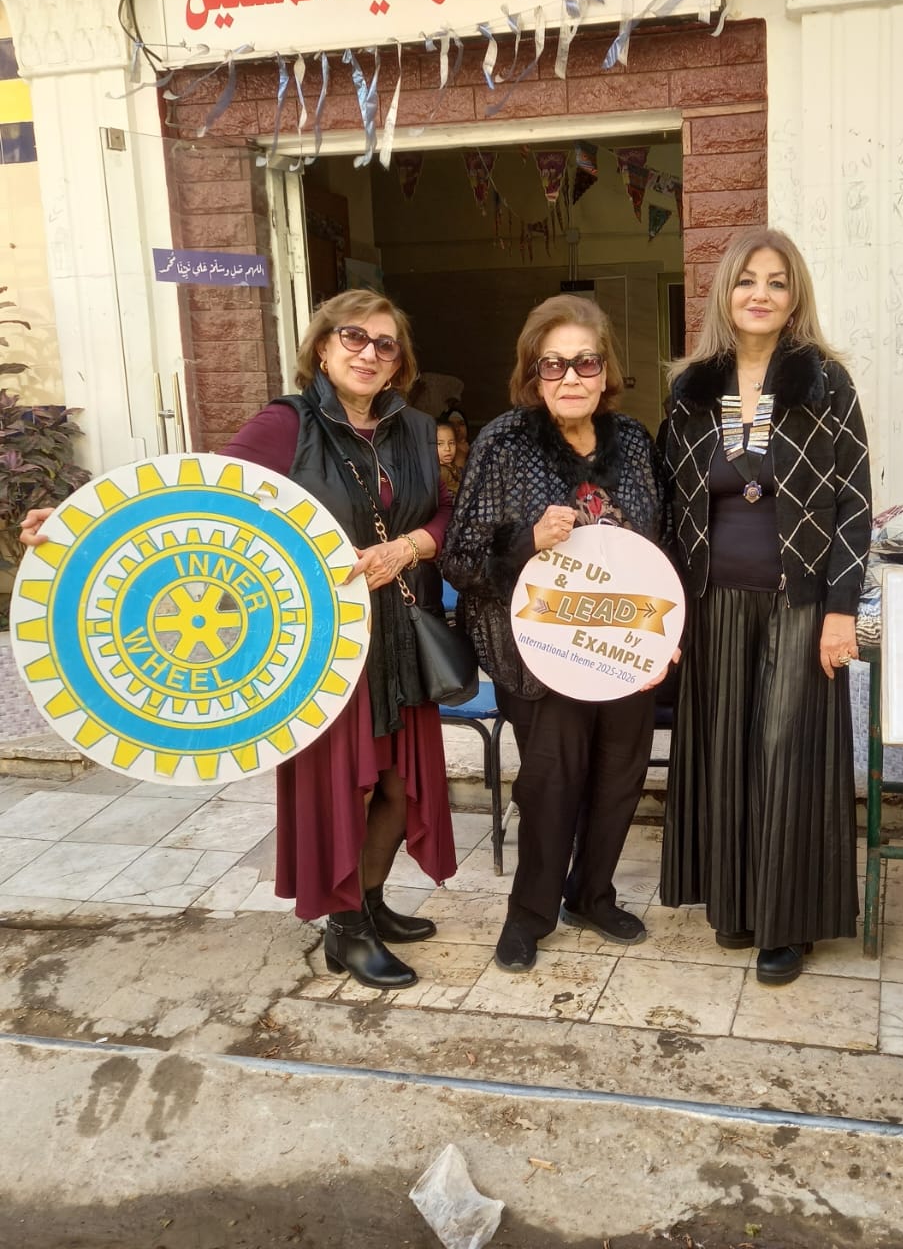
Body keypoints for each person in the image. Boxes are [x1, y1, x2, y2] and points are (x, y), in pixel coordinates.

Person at [22, 289, 457, 991]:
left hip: (401, 632)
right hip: (323, 642)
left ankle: (371, 901)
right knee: (346, 787)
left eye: (386, 343)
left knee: (401, 785)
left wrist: (408, 547)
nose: (370, 353)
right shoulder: (287, 425)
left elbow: (444, 513)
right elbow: (198, 494)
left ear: (399, 360)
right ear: (323, 347)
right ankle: (346, 928)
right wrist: (80, 520)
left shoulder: (413, 429)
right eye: (354, 337)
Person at [659, 228, 872, 987]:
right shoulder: (690, 389)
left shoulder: (825, 382)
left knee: (786, 755)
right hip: (713, 603)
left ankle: (787, 925)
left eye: (777, 282)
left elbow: (854, 503)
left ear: (794, 297)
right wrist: (663, 609)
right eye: (747, 279)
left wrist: (840, 610)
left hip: (799, 601)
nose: (760, 293)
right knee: (726, 754)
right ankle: (738, 904)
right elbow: (668, 506)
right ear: (726, 291)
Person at [441, 294, 664, 973]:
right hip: (539, 653)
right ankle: (529, 914)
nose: (571, 377)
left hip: (624, 644)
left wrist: (667, 633)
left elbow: (665, 549)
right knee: (550, 785)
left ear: (606, 371)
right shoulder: (505, 442)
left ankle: (592, 895)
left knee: (619, 778)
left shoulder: (633, 441)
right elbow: (460, 558)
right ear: (533, 373)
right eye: (554, 364)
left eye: (585, 362)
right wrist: (527, 542)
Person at [437, 421, 462, 495]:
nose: (447, 448)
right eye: (440, 444)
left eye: (451, 443)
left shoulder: (453, 466)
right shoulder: (441, 472)